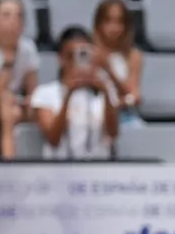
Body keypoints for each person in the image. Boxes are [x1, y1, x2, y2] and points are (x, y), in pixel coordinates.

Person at [30, 28, 119, 161]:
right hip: (59, 170)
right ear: (60, 58)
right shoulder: (45, 93)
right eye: (70, 56)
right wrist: (69, 94)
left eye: (84, 55)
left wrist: (105, 91)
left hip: (99, 169)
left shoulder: (105, 90)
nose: (76, 62)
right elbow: (53, 139)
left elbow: (113, 133)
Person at [0, 0, 38, 111]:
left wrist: (30, 101)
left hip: (15, 104)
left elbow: (33, 89)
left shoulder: (28, 47)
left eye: (19, 16)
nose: (14, 21)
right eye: (7, 15)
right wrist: (8, 60)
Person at [90, 0, 144, 122]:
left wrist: (108, 70)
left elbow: (133, 94)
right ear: (98, 24)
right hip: (92, 115)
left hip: (123, 115)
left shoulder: (133, 55)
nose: (113, 28)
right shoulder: (88, 52)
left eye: (119, 22)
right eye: (108, 21)